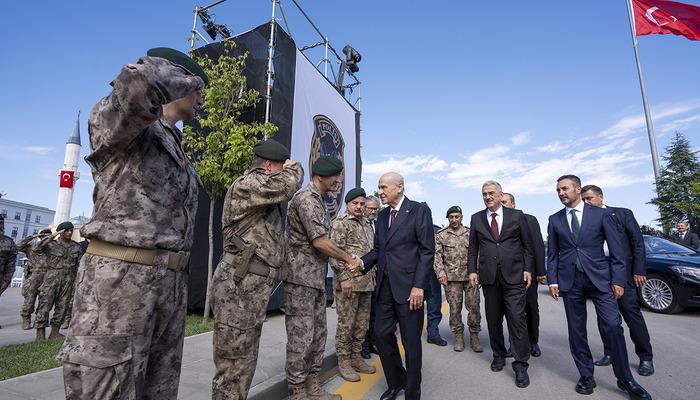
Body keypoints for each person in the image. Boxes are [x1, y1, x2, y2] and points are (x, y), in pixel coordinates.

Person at [59, 47, 207, 399]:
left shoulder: (176, 143)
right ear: (179, 80)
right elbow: (136, 85)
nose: (202, 99)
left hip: (168, 286)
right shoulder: (127, 124)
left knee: (158, 390)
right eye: (199, 89)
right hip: (120, 285)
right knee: (108, 387)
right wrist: (177, 74)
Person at [211, 140, 303, 399]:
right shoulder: (248, 184)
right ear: (269, 165)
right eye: (281, 166)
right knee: (232, 365)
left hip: (250, 287)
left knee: (243, 362)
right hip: (238, 286)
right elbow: (287, 186)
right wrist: (295, 169)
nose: (285, 171)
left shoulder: (261, 190)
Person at [547, 175, 651, 399]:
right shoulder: (554, 219)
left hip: (600, 280)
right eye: (558, 190)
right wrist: (553, 280)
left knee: (613, 326)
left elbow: (617, 251)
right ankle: (586, 375)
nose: (561, 193)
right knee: (576, 331)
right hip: (570, 282)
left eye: (565, 189)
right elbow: (553, 254)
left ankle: (625, 379)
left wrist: (617, 280)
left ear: (578, 189)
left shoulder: (602, 214)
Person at [285, 155, 361, 400]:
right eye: (336, 175)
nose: (339, 180)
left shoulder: (318, 200)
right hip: (300, 280)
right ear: (321, 176)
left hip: (314, 280)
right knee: (301, 337)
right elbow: (320, 241)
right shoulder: (306, 199)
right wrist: (349, 258)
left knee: (317, 336)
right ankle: (297, 391)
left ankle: (313, 387)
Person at [356, 172, 435, 400]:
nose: (380, 192)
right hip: (385, 288)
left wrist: (419, 286)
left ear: (399, 187)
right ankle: (396, 381)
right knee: (381, 335)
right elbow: (380, 250)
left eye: (383, 187)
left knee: (411, 343)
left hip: (410, 289)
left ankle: (412, 391)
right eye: (379, 187)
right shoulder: (381, 216)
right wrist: (362, 262)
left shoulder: (419, 210)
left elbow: (426, 250)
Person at [581, 185, 654, 376]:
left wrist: (638, 270)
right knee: (605, 319)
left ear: (601, 197)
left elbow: (637, 243)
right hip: (598, 276)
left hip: (622, 274)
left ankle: (645, 357)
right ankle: (610, 352)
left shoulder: (622, 214)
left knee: (631, 314)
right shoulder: (584, 221)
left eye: (589, 198)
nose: (586, 203)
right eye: (584, 200)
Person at [467, 181, 533, 388]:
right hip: (489, 277)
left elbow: (527, 246)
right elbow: (473, 249)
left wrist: (528, 269)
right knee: (493, 319)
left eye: (491, 193)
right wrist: (472, 270)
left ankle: (521, 365)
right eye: (484, 194)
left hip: (514, 276)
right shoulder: (477, 218)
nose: (488, 197)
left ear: (500, 194)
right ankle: (498, 354)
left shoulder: (517, 215)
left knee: (516, 319)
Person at [330, 188, 377, 382]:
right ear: (348, 204)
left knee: (361, 325)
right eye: (355, 203)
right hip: (349, 283)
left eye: (361, 203)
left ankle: (356, 357)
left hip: (366, 283)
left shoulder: (367, 224)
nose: (359, 207)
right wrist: (343, 279)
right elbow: (334, 252)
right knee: (346, 325)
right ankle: (344, 361)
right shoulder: (341, 224)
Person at [501, 193, 546, 357]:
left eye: (505, 202)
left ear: (513, 204)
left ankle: (533, 342)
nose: (502, 205)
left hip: (527, 273)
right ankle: (515, 345)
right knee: (512, 312)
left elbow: (537, 245)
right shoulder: (498, 222)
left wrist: (540, 271)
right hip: (506, 275)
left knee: (531, 307)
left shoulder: (529, 219)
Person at [434, 205, 482, 352]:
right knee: (455, 310)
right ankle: (459, 337)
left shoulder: (470, 233)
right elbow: (437, 256)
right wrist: (440, 273)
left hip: (470, 278)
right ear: (447, 218)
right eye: (451, 217)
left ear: (461, 217)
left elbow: (478, 254)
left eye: (457, 216)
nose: (454, 219)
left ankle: (474, 337)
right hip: (451, 280)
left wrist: (478, 272)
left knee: (474, 308)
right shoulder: (441, 235)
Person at [33, 222, 81, 340]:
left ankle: (55, 332)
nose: (69, 233)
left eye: (71, 230)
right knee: (45, 305)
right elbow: (36, 248)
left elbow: (79, 265)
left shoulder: (76, 246)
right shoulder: (50, 244)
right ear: (60, 232)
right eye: (66, 231)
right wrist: (51, 236)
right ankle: (40, 334)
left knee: (62, 306)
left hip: (69, 279)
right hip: (52, 278)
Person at [17, 228, 52, 330]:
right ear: (40, 237)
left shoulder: (52, 247)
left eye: (49, 236)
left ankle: (42, 319)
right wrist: (32, 237)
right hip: (34, 275)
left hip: (47, 275)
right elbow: (18, 246)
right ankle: (26, 318)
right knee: (30, 299)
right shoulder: (31, 246)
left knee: (46, 299)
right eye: (45, 236)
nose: (47, 238)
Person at [361, 195, 380, 359]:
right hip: (361, 276)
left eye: (376, 209)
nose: (373, 211)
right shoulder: (360, 224)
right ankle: (363, 345)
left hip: (376, 277)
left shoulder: (378, 225)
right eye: (371, 208)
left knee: (375, 312)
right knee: (363, 315)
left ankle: (373, 342)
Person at [0, 215, 18, 329]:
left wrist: (5, 283)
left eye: (2, 223)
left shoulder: (9, 242)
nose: (1, 225)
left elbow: (11, 265)